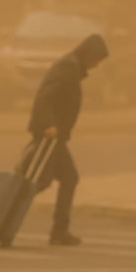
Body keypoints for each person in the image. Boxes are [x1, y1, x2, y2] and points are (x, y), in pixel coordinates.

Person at [27, 33, 109, 246]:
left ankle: (58, 230)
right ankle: (8, 212)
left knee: (63, 179)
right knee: (41, 181)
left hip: (55, 137)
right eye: (97, 60)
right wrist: (49, 125)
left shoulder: (71, 66)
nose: (96, 65)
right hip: (50, 136)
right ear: (88, 54)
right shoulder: (68, 68)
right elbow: (45, 97)